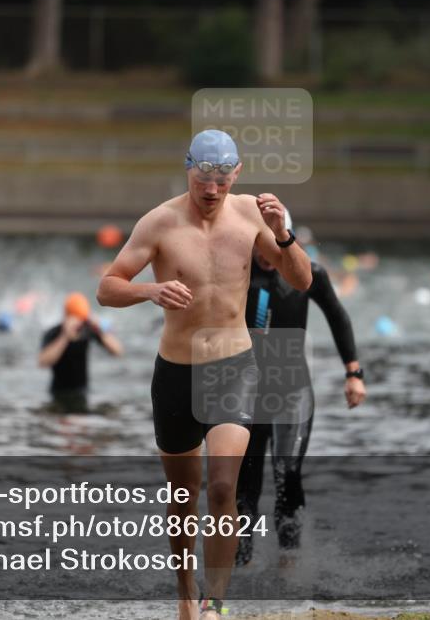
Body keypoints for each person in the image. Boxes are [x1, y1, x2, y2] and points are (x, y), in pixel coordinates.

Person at [96, 129, 311, 620]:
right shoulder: (159, 222)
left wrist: (283, 233)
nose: (211, 191)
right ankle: (185, 596)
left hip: (233, 368)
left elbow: (301, 280)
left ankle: (216, 604)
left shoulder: (253, 215)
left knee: (221, 488)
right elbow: (107, 289)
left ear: (235, 175)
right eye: (201, 180)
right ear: (187, 170)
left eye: (220, 181)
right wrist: (149, 292)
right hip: (175, 372)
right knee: (181, 499)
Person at [236, 211, 367, 568]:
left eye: (274, 240)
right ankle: (239, 565)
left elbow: (338, 316)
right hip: (245, 394)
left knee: (287, 472)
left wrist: (354, 372)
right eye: (259, 241)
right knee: (243, 485)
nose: (266, 252)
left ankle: (290, 562)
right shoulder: (238, 271)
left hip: (293, 391)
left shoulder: (309, 272)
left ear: (286, 236)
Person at [38, 292, 123, 413]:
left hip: (82, 391)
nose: (77, 324)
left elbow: (118, 351)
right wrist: (65, 337)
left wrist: (99, 330)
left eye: (81, 319)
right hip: (58, 393)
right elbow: (42, 362)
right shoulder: (54, 332)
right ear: (66, 316)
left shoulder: (87, 330)